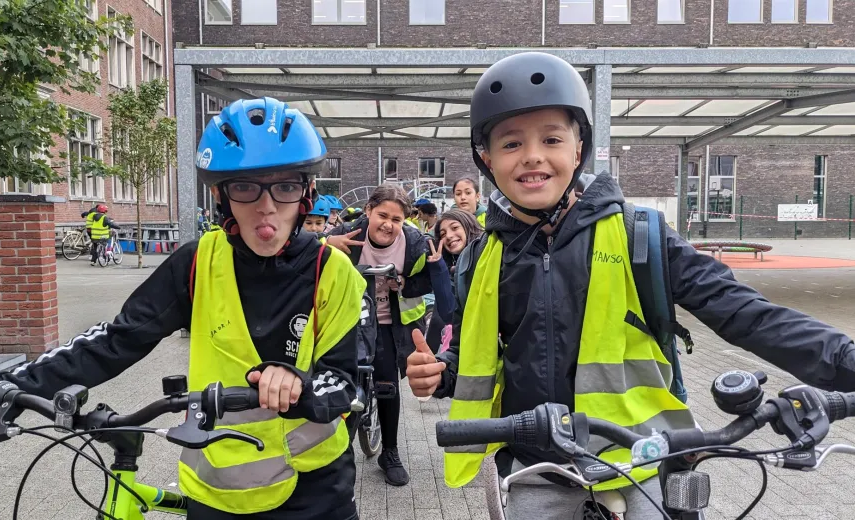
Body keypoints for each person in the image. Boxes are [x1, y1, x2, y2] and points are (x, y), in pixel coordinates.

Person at [405, 52, 855, 519]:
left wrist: (844, 361)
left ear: (578, 151)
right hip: (540, 465)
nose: (533, 155)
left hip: (646, 458)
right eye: (512, 143)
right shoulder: (482, 256)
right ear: (487, 159)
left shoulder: (640, 235)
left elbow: (741, 310)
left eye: (552, 138)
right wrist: (443, 373)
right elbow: (490, 353)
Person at [0, 97, 365, 520]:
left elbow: (347, 380)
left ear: (307, 193)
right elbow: (118, 339)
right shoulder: (197, 262)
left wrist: (299, 385)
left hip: (312, 491)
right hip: (217, 490)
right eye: (246, 186)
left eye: (285, 186)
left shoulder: (334, 272)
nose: (266, 205)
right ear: (222, 195)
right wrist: (5, 381)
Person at [324, 185, 436, 487]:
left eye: (396, 219)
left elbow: (428, 278)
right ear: (369, 211)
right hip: (351, 319)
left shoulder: (413, 242)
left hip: (389, 322)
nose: (388, 224)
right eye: (382, 215)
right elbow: (303, 247)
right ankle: (338, 449)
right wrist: (326, 241)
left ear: (405, 221)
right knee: (341, 380)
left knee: (387, 381)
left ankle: (390, 451)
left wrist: (403, 282)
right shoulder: (348, 233)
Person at [424, 209, 484, 354]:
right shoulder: (449, 267)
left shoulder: (487, 254)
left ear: (468, 226)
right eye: (443, 234)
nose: (449, 236)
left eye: (455, 228)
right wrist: (438, 267)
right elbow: (449, 314)